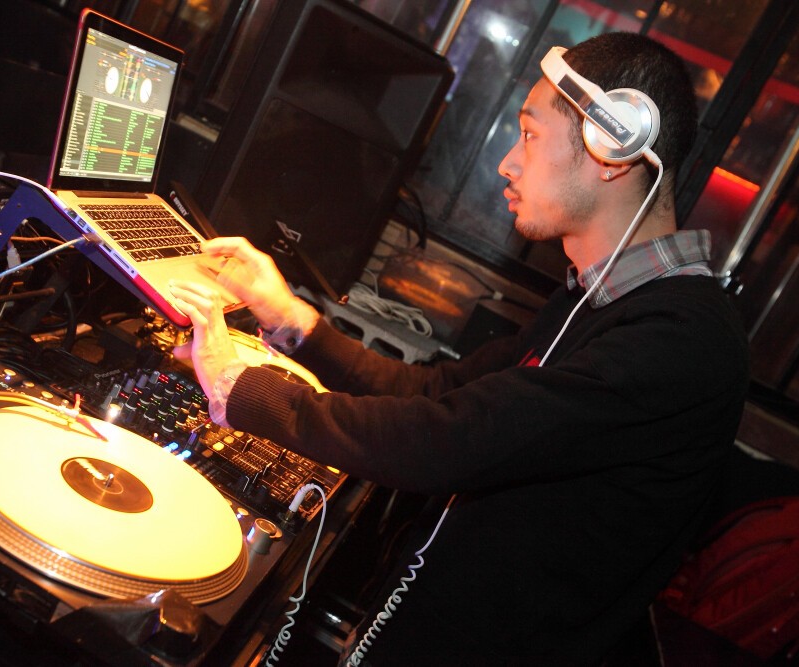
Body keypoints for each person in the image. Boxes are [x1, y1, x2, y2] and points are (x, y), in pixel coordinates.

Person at [169, 32, 749, 665]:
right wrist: (294, 322)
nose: (508, 163)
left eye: (529, 134)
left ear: (612, 146)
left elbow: (451, 438)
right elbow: (439, 392)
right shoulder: (592, 301)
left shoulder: (681, 340)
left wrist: (238, 387)